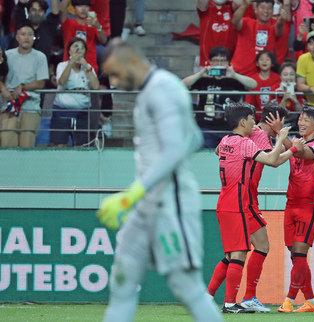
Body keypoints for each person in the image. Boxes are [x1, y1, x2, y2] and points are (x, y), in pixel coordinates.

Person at [96, 39, 222, 322]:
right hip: (147, 204)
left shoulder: (162, 88)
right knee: (122, 280)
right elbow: (194, 138)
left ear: (132, 62)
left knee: (185, 286)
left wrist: (131, 194)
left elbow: (176, 149)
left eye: (115, 73)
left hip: (171, 203)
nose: (114, 82)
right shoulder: (153, 91)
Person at [214, 102, 302, 313]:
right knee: (239, 254)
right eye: (252, 120)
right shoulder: (246, 142)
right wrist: (284, 140)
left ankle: (218, 298)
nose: (255, 124)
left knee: (236, 253)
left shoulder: (226, 139)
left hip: (227, 200)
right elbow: (272, 160)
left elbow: (219, 151)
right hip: (240, 201)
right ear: (243, 122)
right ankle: (231, 303)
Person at [277, 106, 314, 314]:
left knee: (298, 256)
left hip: (310, 206)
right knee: (295, 256)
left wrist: (282, 134)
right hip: (291, 204)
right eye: (300, 119)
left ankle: (288, 300)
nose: (301, 122)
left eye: (307, 119)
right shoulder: (296, 142)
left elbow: (305, 154)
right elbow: (288, 151)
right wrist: (282, 136)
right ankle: (311, 301)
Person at [183, 46, 258, 148]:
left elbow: (253, 84)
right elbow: (182, 84)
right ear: (210, 62)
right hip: (206, 128)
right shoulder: (203, 78)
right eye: (215, 61)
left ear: (228, 62)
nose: (219, 64)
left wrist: (234, 75)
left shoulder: (235, 78)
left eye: (222, 61)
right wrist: (200, 74)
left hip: (231, 128)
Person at [0, 24, 48, 147]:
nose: (26, 37)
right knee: (7, 147)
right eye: (23, 34)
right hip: (7, 107)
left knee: (27, 149)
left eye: (30, 34)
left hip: (30, 107)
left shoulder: (40, 57)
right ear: (17, 37)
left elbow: (41, 83)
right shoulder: (7, 55)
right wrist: (3, 88)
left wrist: (23, 87)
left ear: (34, 38)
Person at [50, 37, 99, 147]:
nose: (79, 50)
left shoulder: (89, 68)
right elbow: (62, 81)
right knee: (59, 145)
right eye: (76, 47)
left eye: (82, 47)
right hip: (62, 111)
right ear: (69, 50)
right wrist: (71, 63)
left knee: (81, 146)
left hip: (82, 113)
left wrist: (86, 66)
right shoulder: (62, 66)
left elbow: (95, 87)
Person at [230, 0, 289, 76]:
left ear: (273, 10)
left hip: (261, 76)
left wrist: (281, 19)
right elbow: (235, 22)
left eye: (269, 8)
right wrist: (244, 6)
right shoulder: (247, 22)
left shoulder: (274, 25)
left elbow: (279, 28)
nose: (266, 11)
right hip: (240, 72)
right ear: (256, 9)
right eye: (262, 7)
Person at [59, 0, 108, 73]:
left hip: (90, 67)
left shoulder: (93, 25)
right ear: (72, 8)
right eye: (80, 6)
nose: (83, 9)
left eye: (86, 6)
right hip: (70, 68)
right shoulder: (68, 24)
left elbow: (104, 41)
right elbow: (62, 10)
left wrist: (98, 26)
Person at [197, 0, 239, 67]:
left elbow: (241, 3)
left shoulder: (231, 6)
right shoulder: (207, 7)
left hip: (229, 59)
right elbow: (201, 3)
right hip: (208, 60)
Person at [246, 50, 281, 121]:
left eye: (267, 59)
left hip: (275, 117)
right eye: (261, 59)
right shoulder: (252, 79)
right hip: (257, 117)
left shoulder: (278, 78)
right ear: (257, 63)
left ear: (272, 63)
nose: (264, 61)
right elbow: (249, 100)